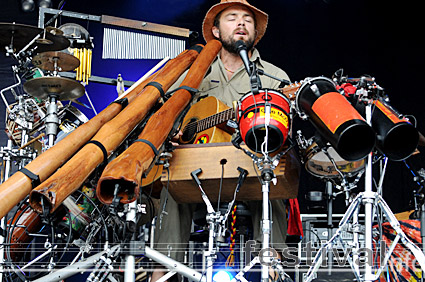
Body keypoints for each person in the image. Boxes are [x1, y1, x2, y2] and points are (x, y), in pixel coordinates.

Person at [152, 0, 291, 281]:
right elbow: (166, 112)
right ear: (216, 31)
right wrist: (176, 133)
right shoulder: (193, 73)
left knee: (273, 190)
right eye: (232, 18)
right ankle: (162, 274)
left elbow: (283, 131)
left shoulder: (276, 78)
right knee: (172, 189)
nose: (241, 23)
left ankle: (273, 270)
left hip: (249, 163)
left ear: (255, 32)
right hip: (197, 166)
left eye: (247, 20)